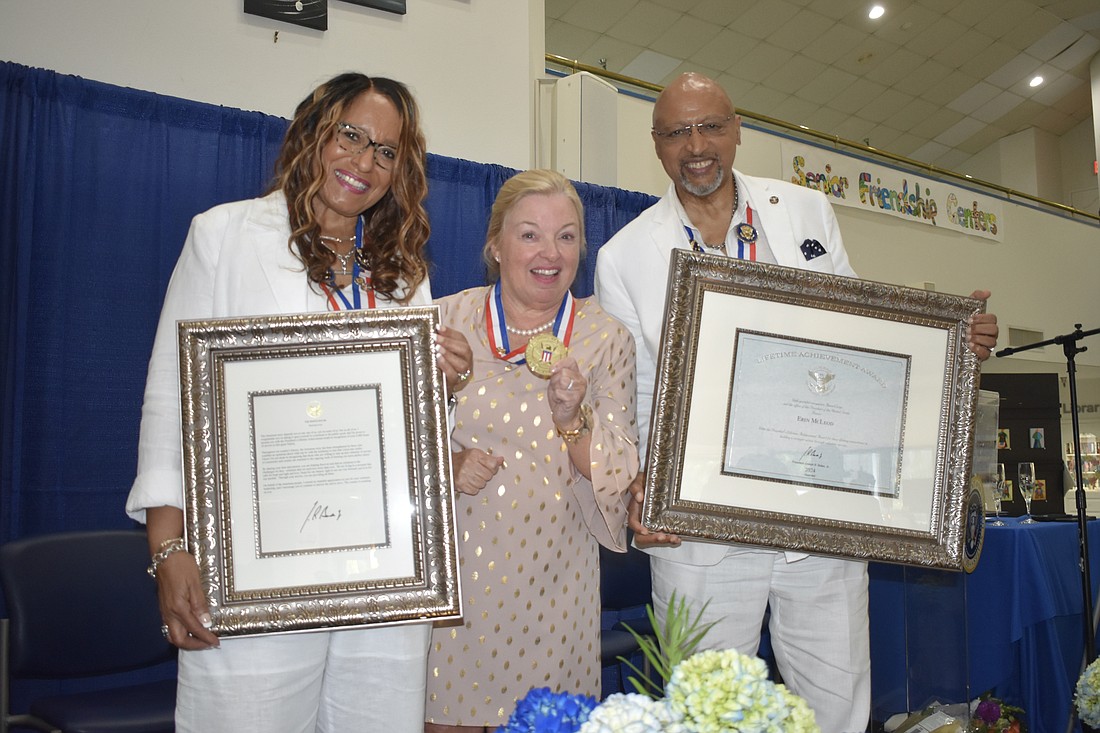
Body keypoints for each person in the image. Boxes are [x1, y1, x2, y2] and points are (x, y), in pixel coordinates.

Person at [594, 72, 1000, 733]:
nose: (696, 146)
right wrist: (639, 482)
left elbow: (862, 340)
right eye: (676, 132)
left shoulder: (807, 212)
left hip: (820, 521)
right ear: (656, 144)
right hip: (699, 533)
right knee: (705, 712)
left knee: (836, 709)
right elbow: (628, 394)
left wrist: (955, 348)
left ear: (738, 129)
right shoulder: (624, 255)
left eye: (711, 126)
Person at [126, 72, 472, 733]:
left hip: (382, 576)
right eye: (350, 135)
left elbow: (414, 438)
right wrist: (169, 550)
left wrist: (444, 383)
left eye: (386, 151)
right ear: (315, 132)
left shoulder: (404, 273)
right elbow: (172, 398)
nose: (363, 161)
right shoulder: (223, 236)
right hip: (255, 568)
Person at [423, 169, 640, 733]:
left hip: (554, 592)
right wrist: (446, 465)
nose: (550, 253)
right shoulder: (441, 321)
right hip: (453, 596)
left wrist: (573, 423)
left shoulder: (604, 337)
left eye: (566, 236)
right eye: (530, 235)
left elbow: (618, 473)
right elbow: (382, 444)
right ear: (495, 245)